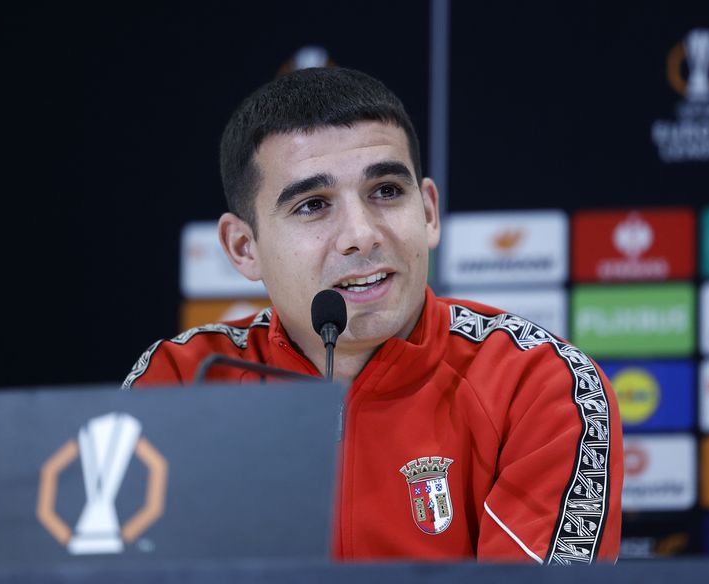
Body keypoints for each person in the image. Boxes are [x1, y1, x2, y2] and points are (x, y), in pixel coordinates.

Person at [123, 67, 623, 563]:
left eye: (386, 191)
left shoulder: (542, 386)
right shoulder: (181, 382)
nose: (361, 233)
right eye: (313, 205)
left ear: (428, 212)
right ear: (244, 247)